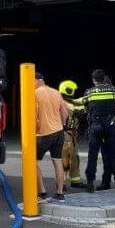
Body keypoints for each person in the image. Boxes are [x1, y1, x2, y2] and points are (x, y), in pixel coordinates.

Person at [80, 70, 115, 193]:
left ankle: (90, 184)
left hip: (95, 125)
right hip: (111, 125)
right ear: (104, 78)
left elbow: (85, 109)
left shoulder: (88, 92)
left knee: (92, 155)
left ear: (93, 79)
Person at [34, 73, 68, 203]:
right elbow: (64, 113)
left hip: (43, 134)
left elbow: (34, 115)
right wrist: (62, 125)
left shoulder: (35, 93)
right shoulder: (56, 92)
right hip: (59, 132)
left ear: (36, 81)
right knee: (57, 161)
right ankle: (59, 194)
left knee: (31, 161)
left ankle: (42, 191)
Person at [58, 80, 86, 189]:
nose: (73, 92)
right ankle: (62, 183)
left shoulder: (74, 103)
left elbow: (83, 109)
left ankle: (75, 180)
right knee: (64, 159)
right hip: (64, 134)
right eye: (72, 90)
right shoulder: (59, 103)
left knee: (74, 158)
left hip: (73, 135)